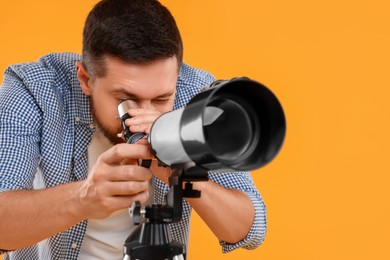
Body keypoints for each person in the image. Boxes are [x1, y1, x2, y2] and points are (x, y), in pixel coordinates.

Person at [0, 0, 266, 259]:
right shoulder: (34, 89)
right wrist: (85, 197)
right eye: (126, 99)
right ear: (85, 79)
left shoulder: (195, 94)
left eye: (161, 99)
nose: (144, 114)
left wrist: (182, 173)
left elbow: (249, 229)